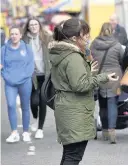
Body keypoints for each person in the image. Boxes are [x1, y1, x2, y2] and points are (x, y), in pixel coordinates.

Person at [50, 18, 119, 165]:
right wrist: (103, 77)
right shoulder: (73, 56)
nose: (88, 37)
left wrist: (88, 72)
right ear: (74, 38)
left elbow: (71, 80)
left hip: (67, 107)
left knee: (70, 154)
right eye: (85, 34)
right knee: (73, 156)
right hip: (74, 109)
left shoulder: (62, 52)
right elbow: (80, 85)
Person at [91, 22, 124, 144]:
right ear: (112, 31)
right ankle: (112, 131)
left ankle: (104, 130)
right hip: (115, 77)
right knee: (112, 103)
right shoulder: (117, 45)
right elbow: (122, 59)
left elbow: (91, 58)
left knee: (102, 104)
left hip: (99, 76)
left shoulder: (94, 44)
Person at [1, 26, 34, 143]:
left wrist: (25, 77)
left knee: (25, 106)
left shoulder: (27, 48)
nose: (14, 36)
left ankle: (25, 132)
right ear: (10, 36)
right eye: (12, 34)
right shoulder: (4, 49)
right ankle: (14, 132)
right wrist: (6, 76)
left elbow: (31, 65)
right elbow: (1, 66)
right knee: (10, 105)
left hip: (25, 82)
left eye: (16, 34)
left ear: (20, 35)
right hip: (10, 83)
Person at [22, 16, 52, 139]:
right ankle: (35, 117)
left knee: (42, 100)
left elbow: (54, 51)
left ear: (39, 25)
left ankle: (40, 128)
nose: (34, 27)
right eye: (31, 25)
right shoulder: (24, 40)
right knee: (33, 101)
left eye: (36, 24)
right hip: (31, 74)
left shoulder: (47, 37)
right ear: (28, 27)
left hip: (45, 73)